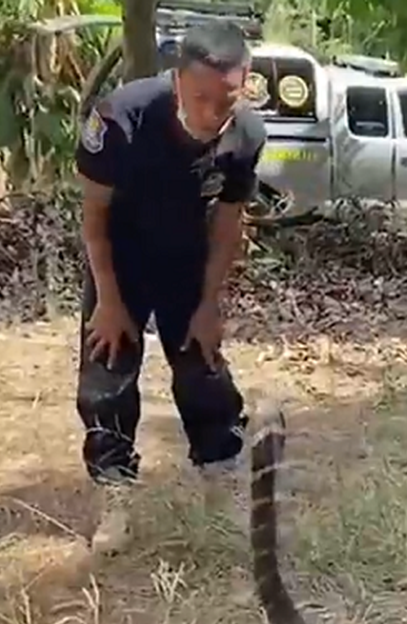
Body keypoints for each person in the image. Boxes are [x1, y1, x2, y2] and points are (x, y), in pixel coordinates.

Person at [73, 20, 266, 544]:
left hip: (188, 259)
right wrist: (109, 301)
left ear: (244, 84)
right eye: (200, 98)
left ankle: (220, 480)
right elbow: (93, 218)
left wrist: (209, 304)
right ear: (177, 81)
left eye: (226, 101)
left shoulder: (246, 133)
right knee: (107, 370)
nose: (212, 114)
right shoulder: (121, 117)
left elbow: (228, 224)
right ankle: (114, 494)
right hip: (121, 257)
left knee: (204, 369)